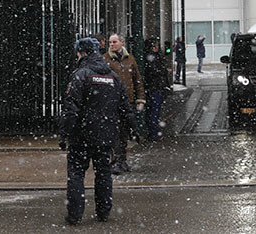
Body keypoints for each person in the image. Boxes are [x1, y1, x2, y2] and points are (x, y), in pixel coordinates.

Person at [59, 37, 133, 225]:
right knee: (103, 172)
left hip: (81, 136)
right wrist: (132, 128)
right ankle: (103, 212)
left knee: (76, 173)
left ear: (81, 53)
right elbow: (125, 106)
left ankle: (75, 215)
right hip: (106, 135)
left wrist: (65, 133)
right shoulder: (112, 76)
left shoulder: (80, 75)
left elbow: (71, 108)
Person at [104, 33, 145, 174]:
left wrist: (140, 98)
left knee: (124, 133)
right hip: (112, 102)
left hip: (127, 102)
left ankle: (122, 160)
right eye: (110, 42)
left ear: (122, 42)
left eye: (114, 42)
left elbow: (137, 79)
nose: (112, 44)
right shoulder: (106, 59)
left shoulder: (130, 59)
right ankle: (115, 161)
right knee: (114, 133)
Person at [143, 37, 172, 142]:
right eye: (155, 45)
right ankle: (153, 132)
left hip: (155, 87)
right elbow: (154, 71)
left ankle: (152, 131)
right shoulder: (151, 58)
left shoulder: (153, 57)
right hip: (155, 87)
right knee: (154, 111)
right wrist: (164, 71)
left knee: (153, 111)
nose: (157, 47)